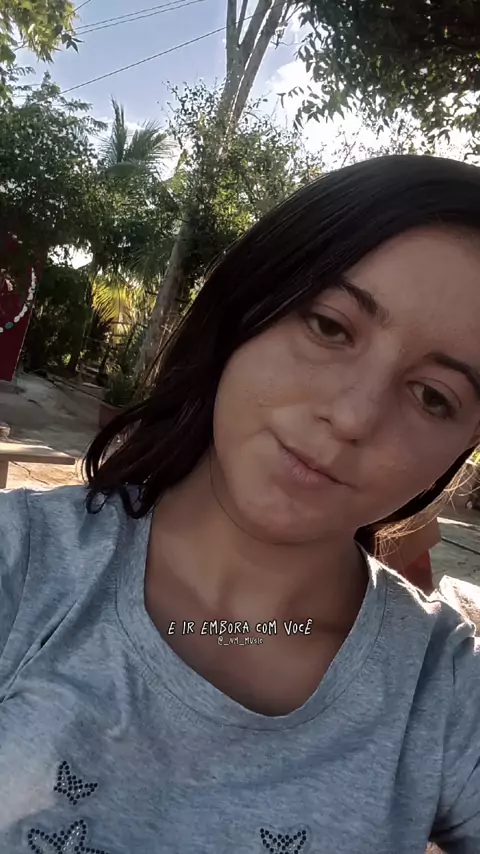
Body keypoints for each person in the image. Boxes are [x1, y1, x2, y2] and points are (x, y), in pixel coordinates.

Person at [1, 154, 480, 854]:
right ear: (248, 305)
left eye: (434, 396)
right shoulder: (24, 564)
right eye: (330, 326)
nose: (352, 416)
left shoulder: (443, 691)